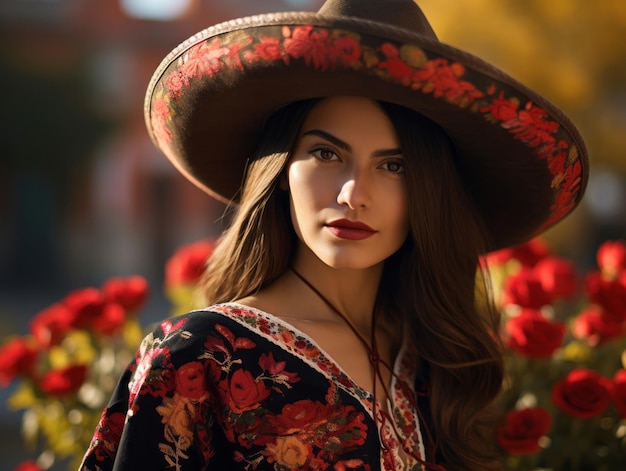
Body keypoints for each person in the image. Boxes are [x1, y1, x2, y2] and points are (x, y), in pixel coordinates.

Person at [80, 0, 588, 470]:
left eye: (395, 166)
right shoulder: (196, 358)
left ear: (432, 193)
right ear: (279, 172)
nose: (353, 193)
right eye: (326, 154)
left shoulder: (444, 364)